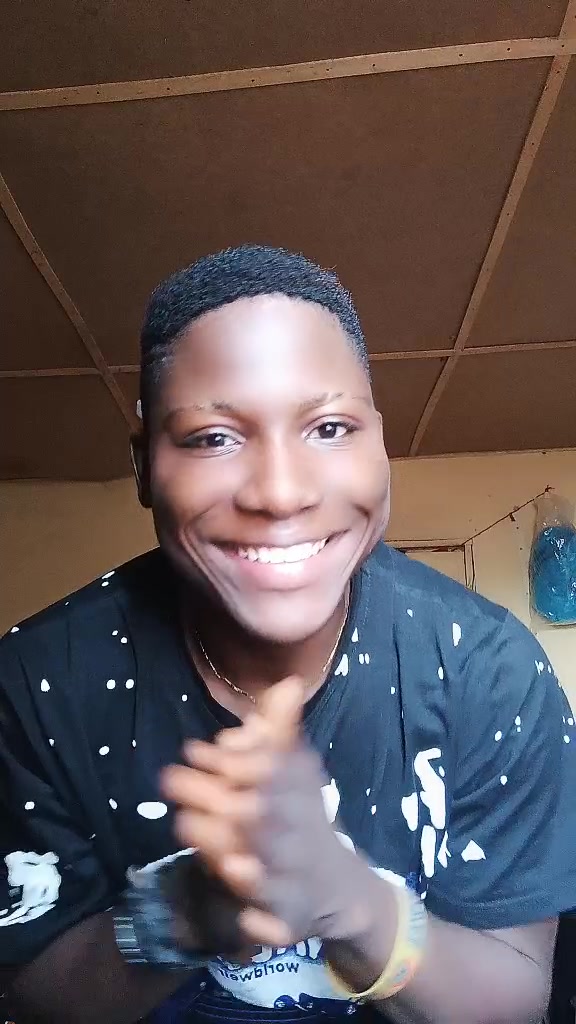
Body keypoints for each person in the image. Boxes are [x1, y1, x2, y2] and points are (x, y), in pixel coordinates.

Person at [1, 245, 575, 1024]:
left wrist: (347, 900)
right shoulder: (37, 685)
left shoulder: (490, 673)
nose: (280, 492)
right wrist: (194, 907)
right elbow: (34, 993)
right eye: (212, 437)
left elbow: (517, 999)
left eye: (331, 427)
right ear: (143, 468)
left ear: (380, 445)